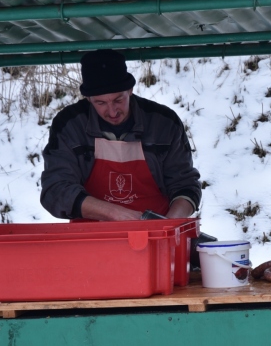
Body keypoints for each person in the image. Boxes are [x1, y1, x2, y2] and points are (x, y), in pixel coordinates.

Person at [41, 49, 201, 221]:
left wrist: (169, 225)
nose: (112, 112)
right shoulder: (70, 125)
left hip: (156, 236)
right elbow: (56, 190)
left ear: (130, 90)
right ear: (88, 98)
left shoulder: (163, 123)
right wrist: (114, 213)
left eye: (118, 100)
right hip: (90, 238)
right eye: (100, 103)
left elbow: (185, 185)